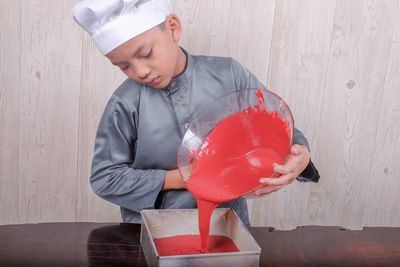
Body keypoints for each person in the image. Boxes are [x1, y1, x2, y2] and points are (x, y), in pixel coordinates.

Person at [73, 0, 319, 226]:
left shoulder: (230, 74)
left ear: (173, 28)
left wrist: (301, 153)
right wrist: (180, 178)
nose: (141, 71)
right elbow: (105, 178)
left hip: (229, 225)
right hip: (153, 230)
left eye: (146, 54)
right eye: (124, 66)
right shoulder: (124, 103)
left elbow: (275, 125)